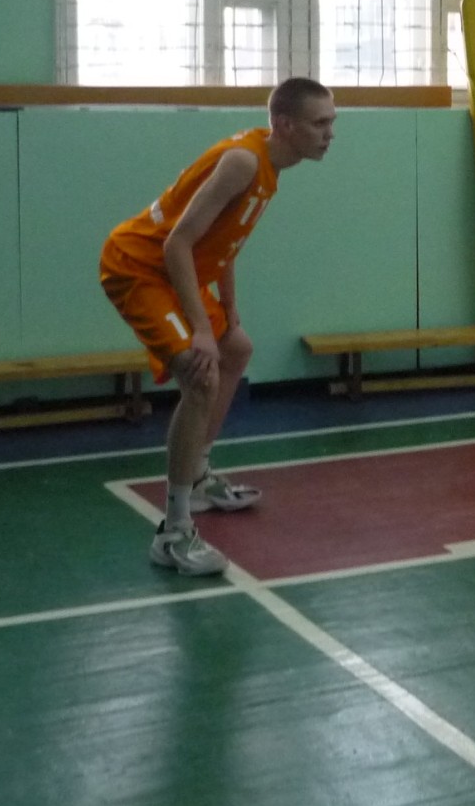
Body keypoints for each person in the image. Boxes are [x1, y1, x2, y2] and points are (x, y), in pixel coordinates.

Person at [101, 78, 337, 574]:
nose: (329, 133)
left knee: (237, 347)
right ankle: (173, 531)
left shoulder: (269, 168)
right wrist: (201, 331)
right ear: (285, 125)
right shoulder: (244, 162)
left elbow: (222, 243)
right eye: (320, 123)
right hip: (138, 267)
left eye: (331, 122)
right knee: (200, 373)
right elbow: (177, 243)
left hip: (174, 271)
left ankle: (199, 475)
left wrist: (229, 313)